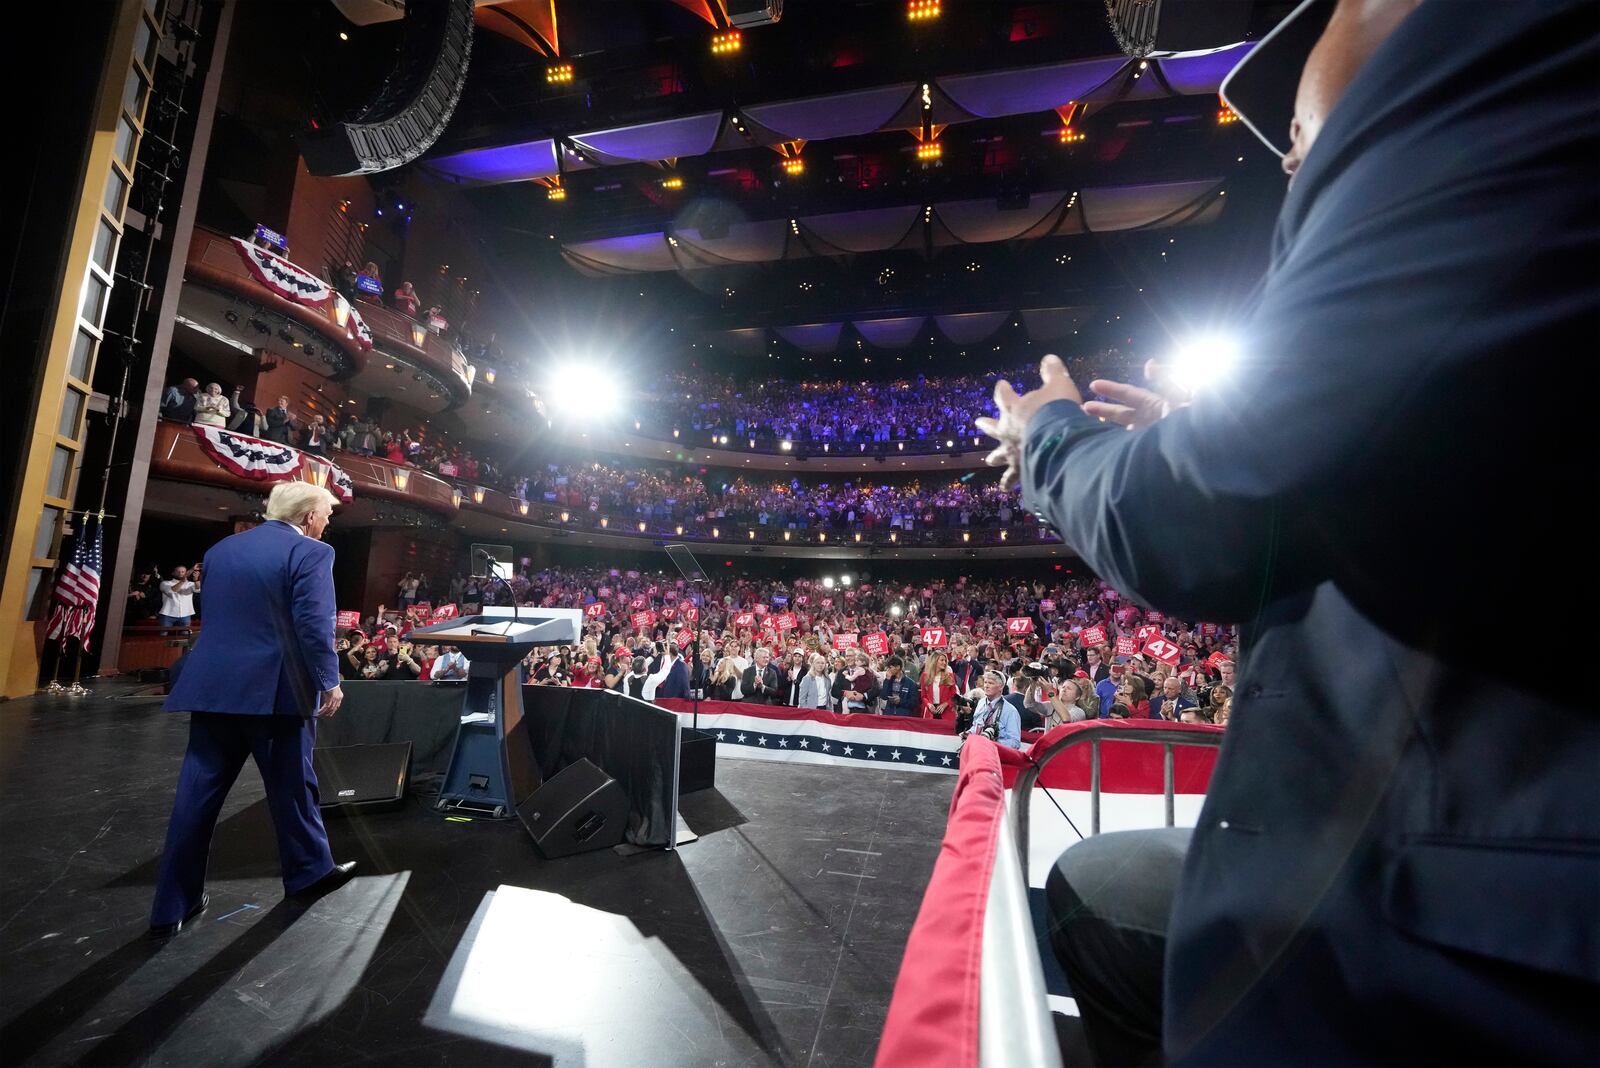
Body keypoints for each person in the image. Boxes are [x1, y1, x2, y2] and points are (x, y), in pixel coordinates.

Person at [976, 1, 1598, 1062]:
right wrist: (1214, 439)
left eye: (1302, 134)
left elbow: (1199, 519)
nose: (1293, 161)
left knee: (1106, 904)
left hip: (1468, 929)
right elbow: (1382, 477)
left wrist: (1051, 441)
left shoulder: (1495, 51)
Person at [149, 482, 356, 937]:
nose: (326, 523)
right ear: (307, 517)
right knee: (293, 788)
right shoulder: (312, 554)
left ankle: (171, 905)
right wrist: (330, 681)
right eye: (325, 515)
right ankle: (309, 872)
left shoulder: (223, 550)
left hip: (215, 687)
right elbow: (313, 624)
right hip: (276, 691)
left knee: (195, 798)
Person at [962, 671, 1020, 749]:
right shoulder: (981, 703)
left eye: (991, 683)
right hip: (976, 751)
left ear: (1001, 687)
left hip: (995, 755)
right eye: (985, 682)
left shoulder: (1011, 711)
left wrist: (994, 743)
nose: (986, 686)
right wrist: (969, 733)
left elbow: (1015, 743)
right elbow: (976, 725)